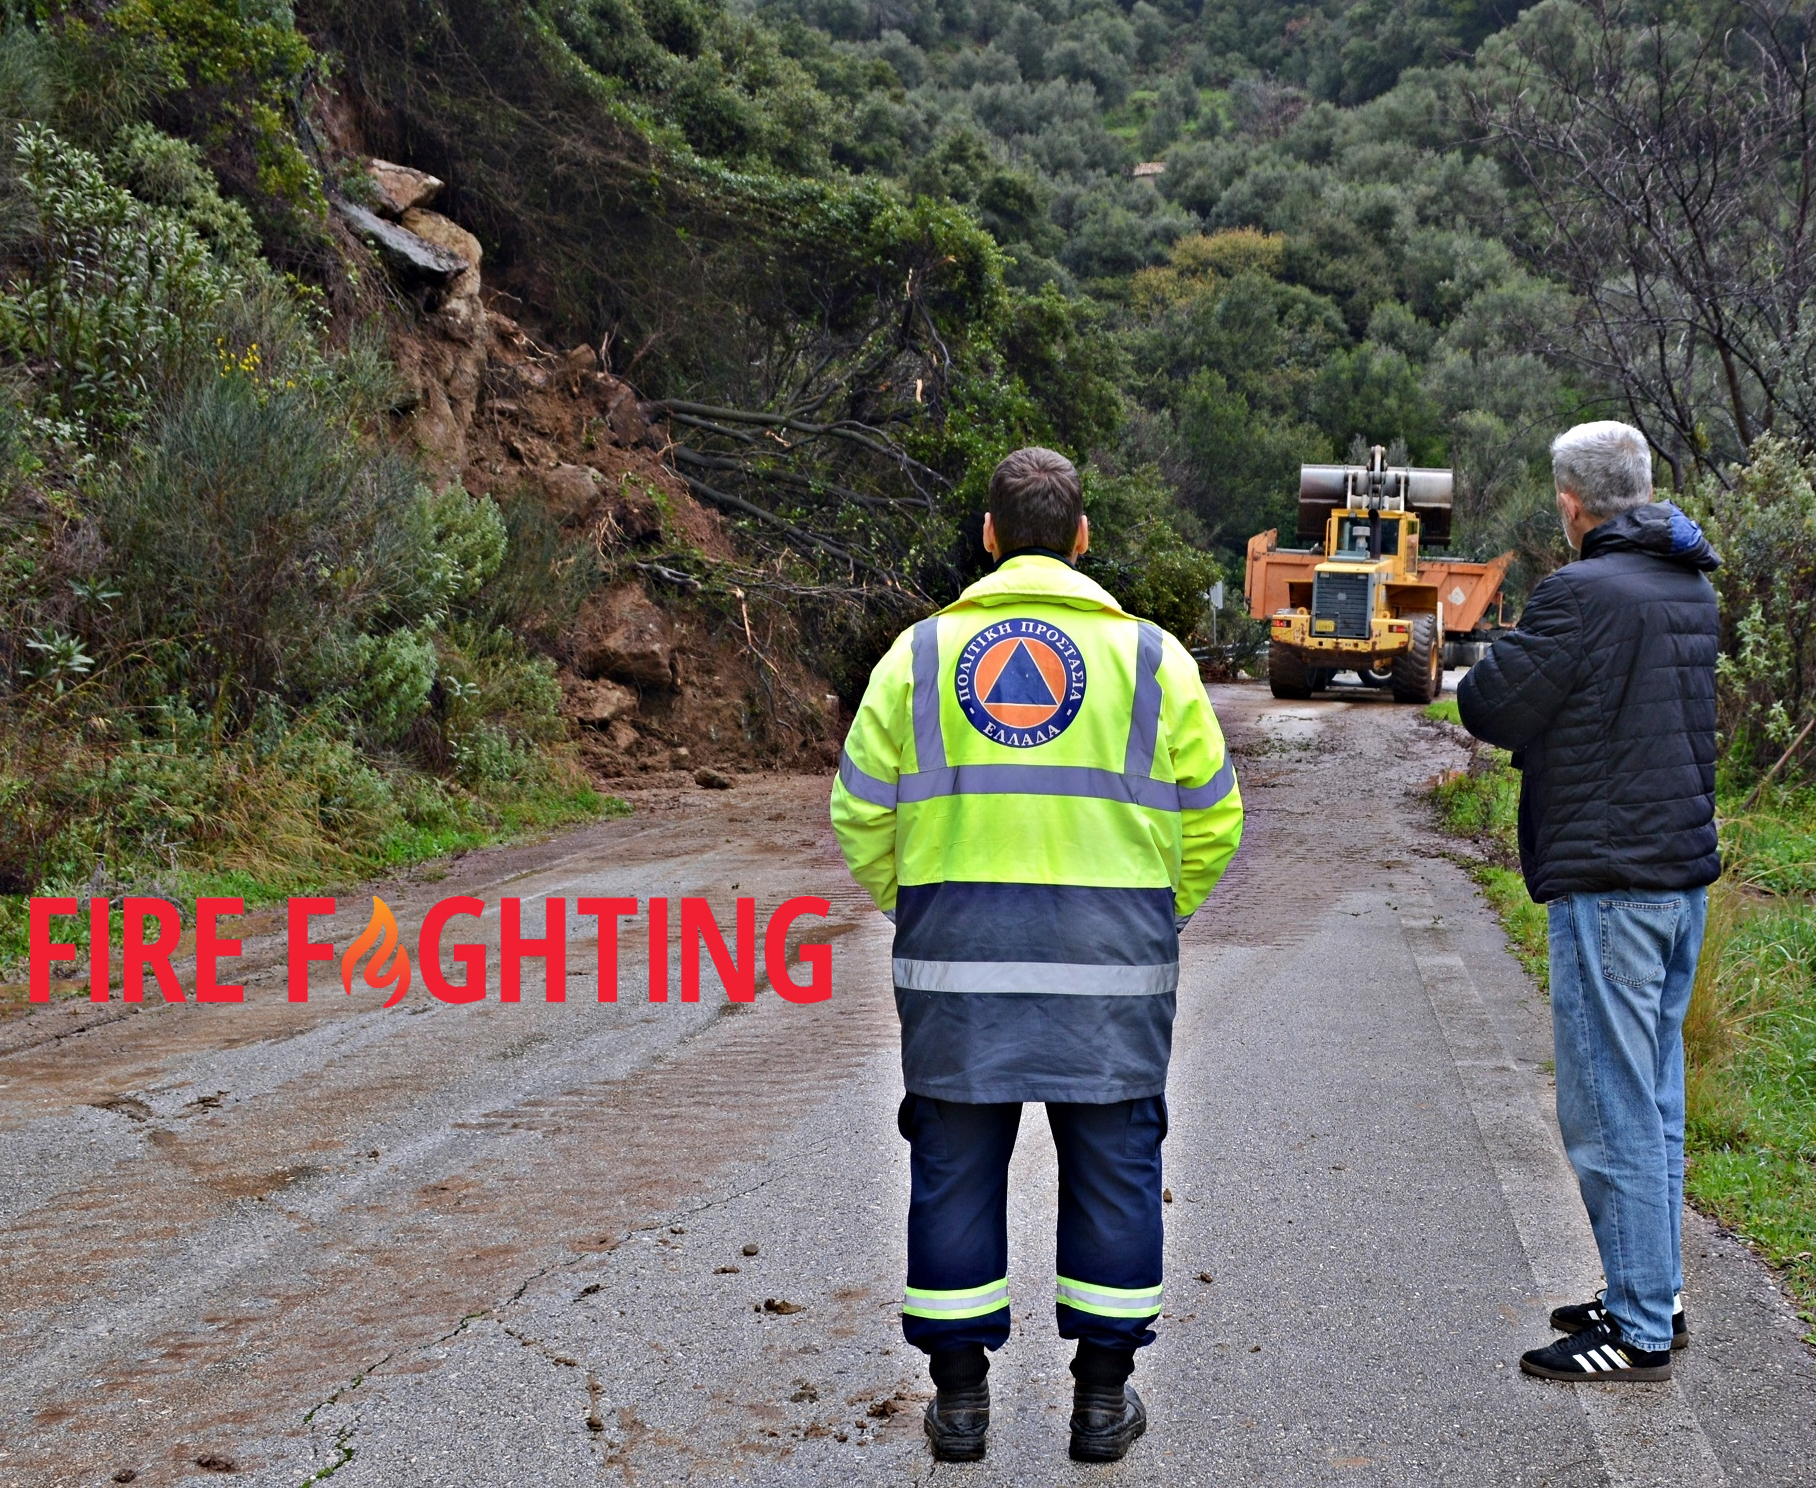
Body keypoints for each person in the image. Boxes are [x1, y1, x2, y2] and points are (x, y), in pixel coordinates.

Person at [830, 447, 1243, 1462]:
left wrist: (923, 906)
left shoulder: (920, 656)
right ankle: (1102, 1406)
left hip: (956, 972)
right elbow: (1213, 821)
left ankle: (960, 1404)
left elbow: (859, 813)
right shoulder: (1150, 660)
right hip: (1111, 977)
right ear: (1083, 538)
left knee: (954, 1174)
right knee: (1112, 1175)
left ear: (986, 535)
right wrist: (1151, 916)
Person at [1457, 420, 1720, 1383]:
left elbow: (1492, 706)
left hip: (1612, 884)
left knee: (1610, 1112)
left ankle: (1640, 1328)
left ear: (1571, 503)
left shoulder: (1579, 593)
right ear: (1643, 489)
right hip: (1678, 877)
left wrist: (1499, 653)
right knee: (1653, 1099)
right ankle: (1656, 1289)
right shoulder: (1689, 582)